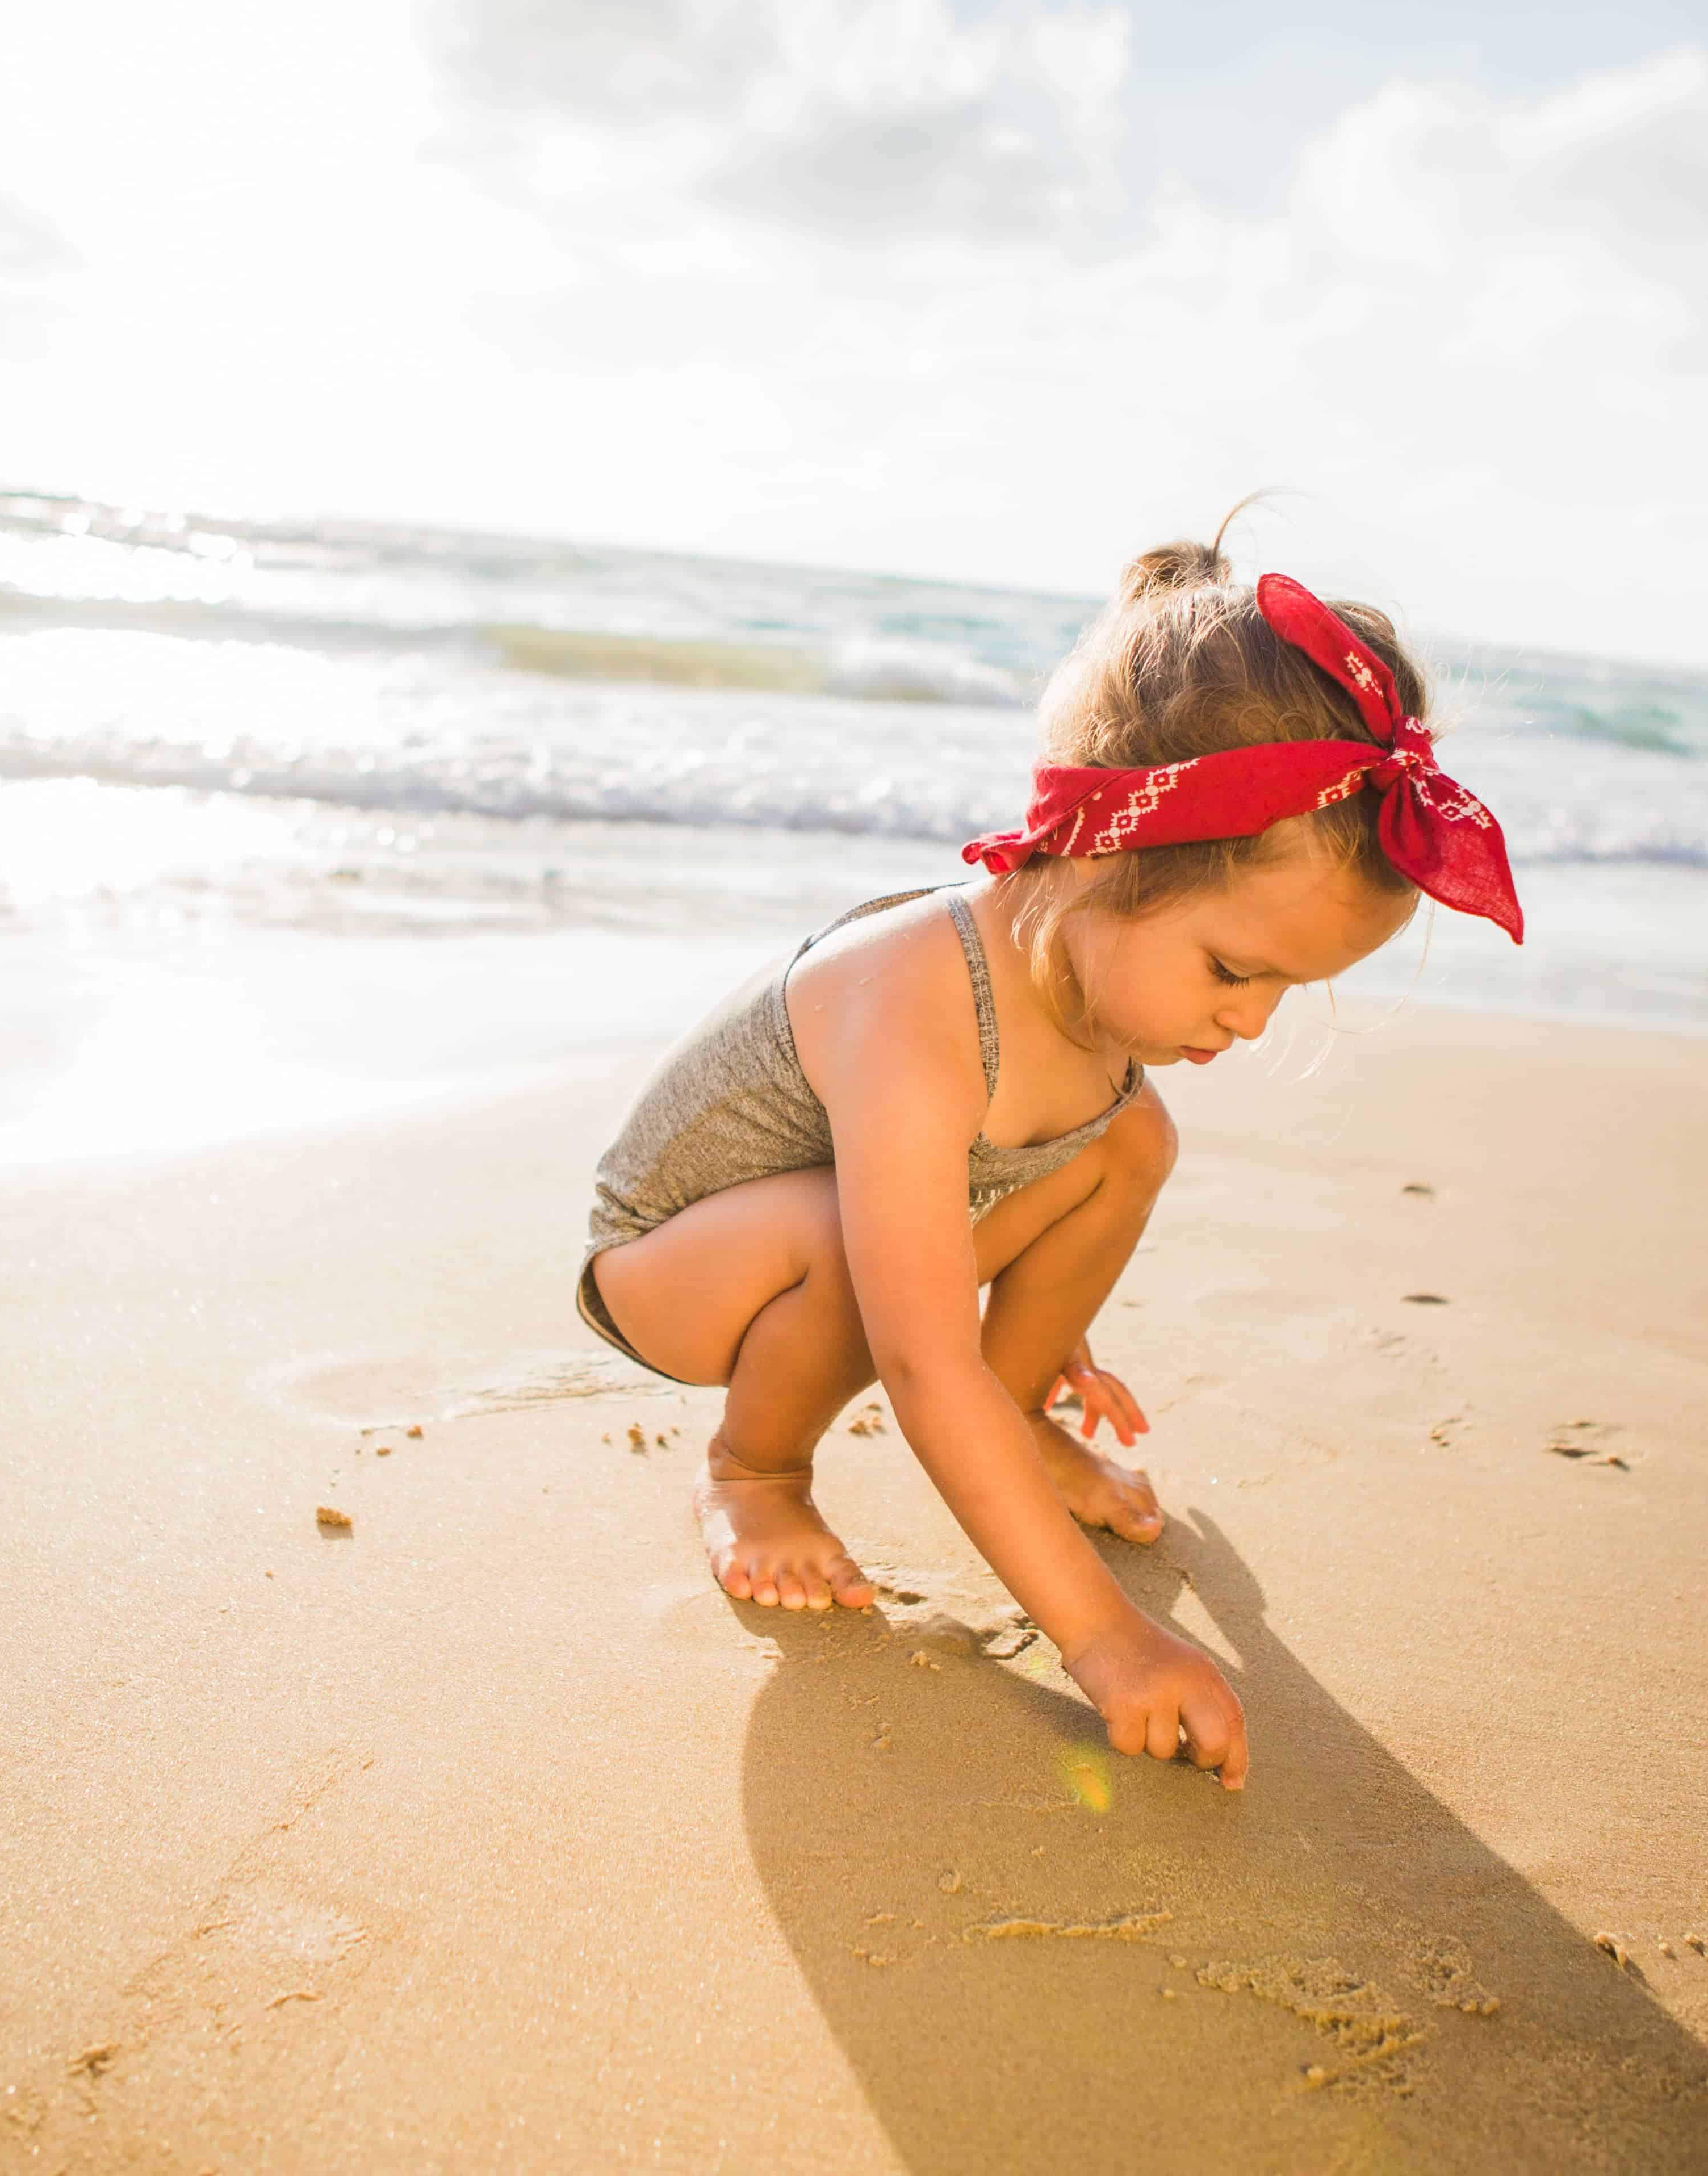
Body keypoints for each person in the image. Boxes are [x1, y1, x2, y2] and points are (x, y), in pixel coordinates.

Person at [571, 522, 1525, 1792]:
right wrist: (1107, 1642)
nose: (1250, 1020)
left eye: (1286, 990)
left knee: (1130, 1138)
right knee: (859, 1271)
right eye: (1236, 970)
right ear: (1100, 858)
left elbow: (1027, 1158)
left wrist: (1042, 1320)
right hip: (676, 1271)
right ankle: (756, 1468)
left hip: (839, 1239)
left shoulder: (1088, 986)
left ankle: (1018, 1417)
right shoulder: (915, 1002)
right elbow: (917, 1355)